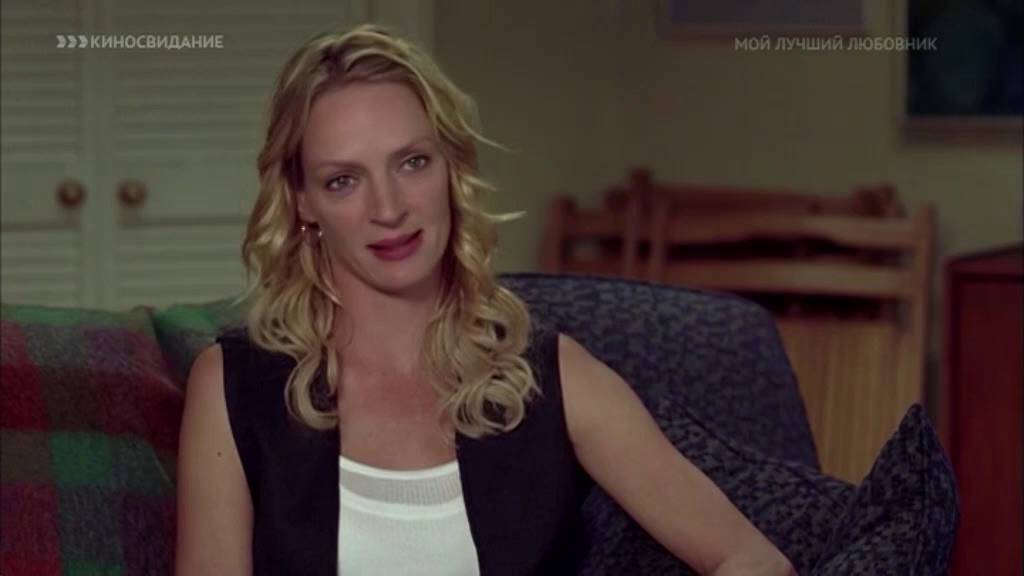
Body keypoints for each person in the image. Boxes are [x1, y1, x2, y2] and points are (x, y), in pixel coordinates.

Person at [175, 23, 797, 576]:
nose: (388, 208)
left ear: (451, 168)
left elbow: (751, 558)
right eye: (343, 180)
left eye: (412, 163)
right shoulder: (232, 386)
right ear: (303, 203)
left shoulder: (550, 376)